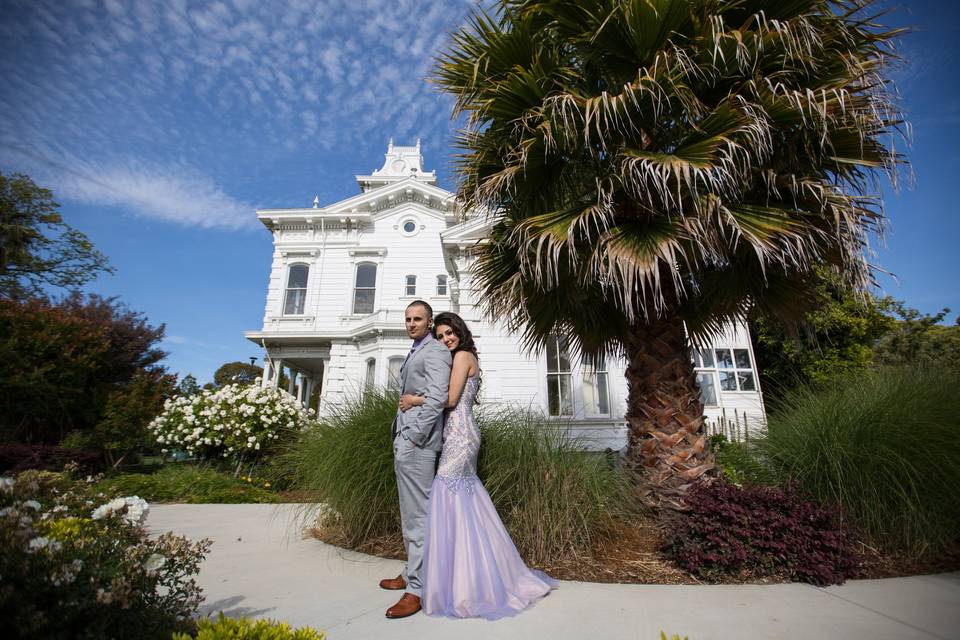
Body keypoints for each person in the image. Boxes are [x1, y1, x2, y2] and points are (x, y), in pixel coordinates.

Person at [399, 311, 556, 619]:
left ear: (460, 331)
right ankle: (468, 574)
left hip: (462, 437)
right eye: (441, 335)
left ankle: (465, 583)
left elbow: (450, 398)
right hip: (458, 435)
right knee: (463, 502)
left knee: (446, 491)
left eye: (450, 333)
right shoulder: (461, 357)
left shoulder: (463, 357)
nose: (446, 339)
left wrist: (415, 400)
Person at [380, 300, 452, 619]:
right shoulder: (415, 349)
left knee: (418, 517)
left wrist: (414, 436)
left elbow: (437, 397)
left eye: (417, 319)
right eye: (407, 318)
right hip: (405, 441)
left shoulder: (435, 350)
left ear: (429, 321)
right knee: (409, 513)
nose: (411, 323)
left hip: (417, 444)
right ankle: (411, 571)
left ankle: (417, 590)